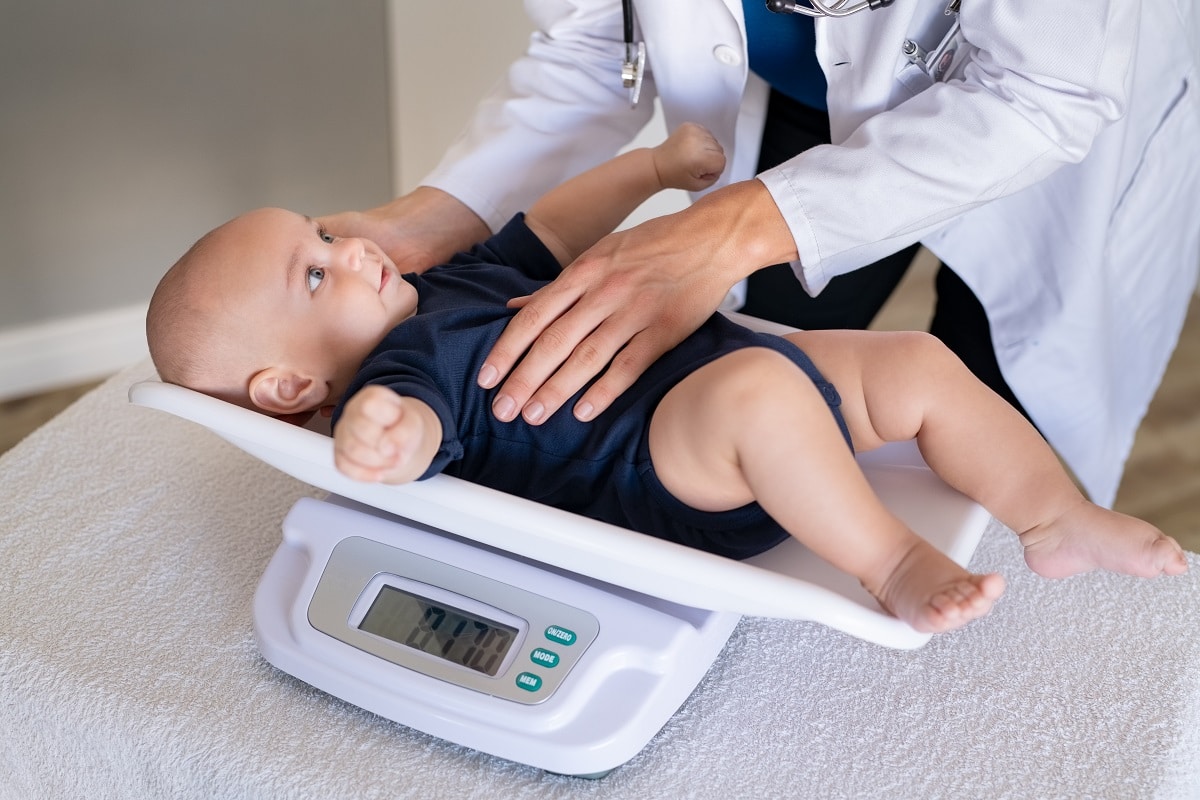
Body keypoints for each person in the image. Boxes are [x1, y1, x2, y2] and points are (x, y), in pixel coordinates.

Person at [147, 124, 1187, 636]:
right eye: (317, 271)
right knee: (762, 400)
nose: (353, 245)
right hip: (664, 467)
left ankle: (1054, 515)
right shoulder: (402, 366)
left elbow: (549, 229)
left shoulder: (444, 284)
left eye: (325, 229)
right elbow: (416, 434)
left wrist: (647, 171)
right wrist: (378, 429)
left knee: (916, 360)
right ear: (288, 389)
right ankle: (890, 563)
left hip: (717, 368)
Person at [320, 0, 1200, 511]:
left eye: (313, 258)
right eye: (311, 261)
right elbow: (596, 43)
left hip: (1050, 130)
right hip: (793, 89)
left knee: (1005, 435)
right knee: (784, 390)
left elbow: (1041, 95)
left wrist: (724, 221)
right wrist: (434, 217)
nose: (335, 256)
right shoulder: (424, 344)